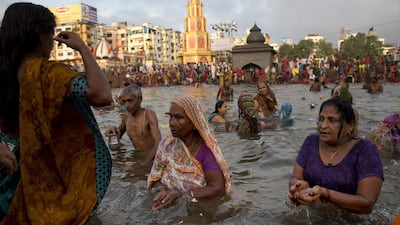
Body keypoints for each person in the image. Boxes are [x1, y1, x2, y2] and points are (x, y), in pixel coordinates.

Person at [0, 3, 113, 224]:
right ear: (40, 36)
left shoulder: (5, 74)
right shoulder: (47, 73)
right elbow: (102, 95)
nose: (52, 43)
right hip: (45, 182)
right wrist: (81, 47)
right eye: (50, 35)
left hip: (11, 177)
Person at [288, 97, 384, 214]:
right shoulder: (311, 142)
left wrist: (325, 193)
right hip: (315, 215)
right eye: (321, 119)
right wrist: (299, 186)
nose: (323, 125)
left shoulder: (365, 150)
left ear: (350, 126)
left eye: (332, 120)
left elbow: (367, 204)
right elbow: (295, 178)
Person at [147, 95, 231, 211]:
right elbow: (155, 177)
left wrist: (182, 195)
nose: (171, 123)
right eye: (170, 117)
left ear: (193, 122)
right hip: (168, 200)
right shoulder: (166, 144)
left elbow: (217, 188)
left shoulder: (206, 151)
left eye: (178, 118)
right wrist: (161, 190)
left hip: (195, 205)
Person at [105, 84, 161, 167]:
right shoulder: (126, 116)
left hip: (152, 158)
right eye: (124, 102)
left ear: (140, 99)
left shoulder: (148, 114)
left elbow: (159, 142)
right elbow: (117, 136)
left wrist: (146, 162)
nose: (127, 105)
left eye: (130, 101)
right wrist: (112, 131)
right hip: (136, 156)